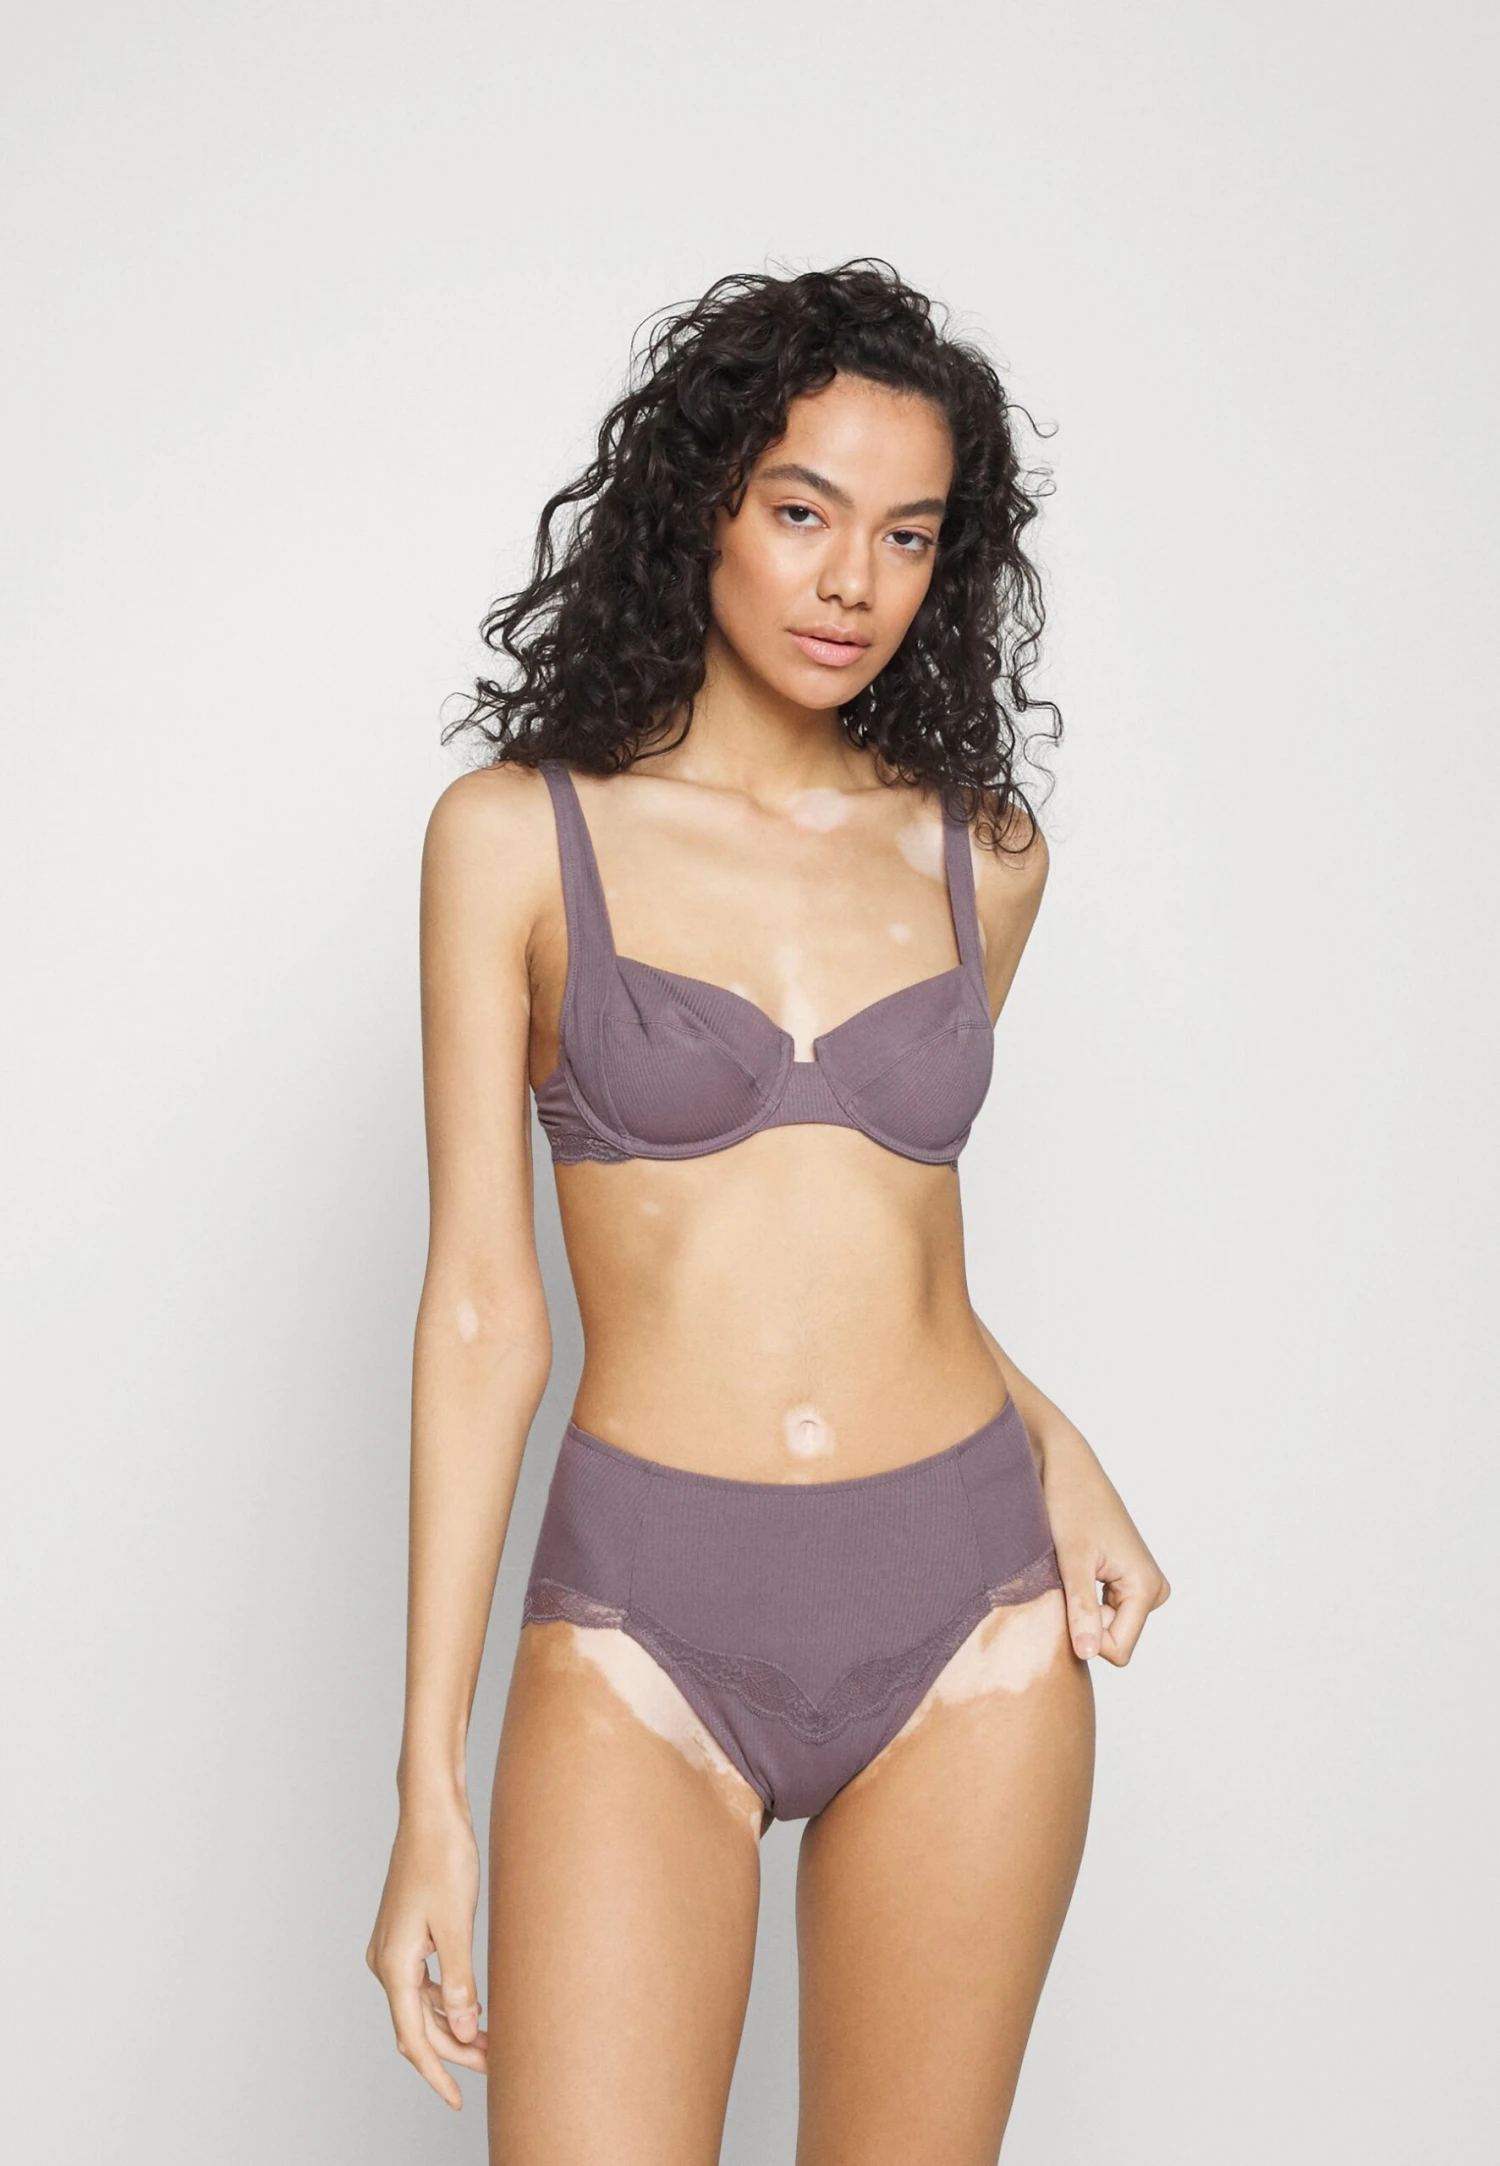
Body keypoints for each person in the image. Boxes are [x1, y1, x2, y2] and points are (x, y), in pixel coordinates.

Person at [366, 259, 1171, 2163]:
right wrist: (427, 1787)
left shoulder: (982, 855)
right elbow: (483, 1310)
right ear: (703, 502)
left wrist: (1049, 1441)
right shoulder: (516, 837)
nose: (851, 582)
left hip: (972, 1612)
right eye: (805, 511)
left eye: (908, 533)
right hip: (647, 1614)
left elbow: (868, 1245)